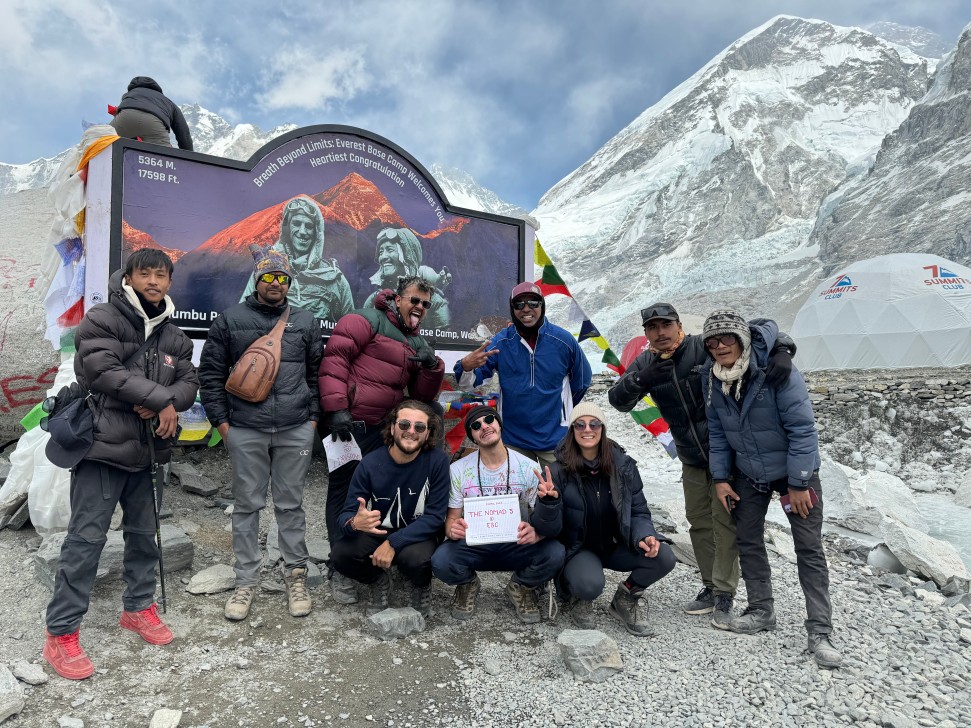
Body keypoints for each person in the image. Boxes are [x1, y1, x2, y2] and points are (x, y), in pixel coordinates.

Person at [43, 250, 199, 680]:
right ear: (128, 277)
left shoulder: (174, 334)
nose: (153, 281)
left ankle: (138, 608)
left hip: (149, 451)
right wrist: (159, 399)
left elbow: (190, 382)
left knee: (145, 536)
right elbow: (101, 371)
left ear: (169, 281)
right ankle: (61, 633)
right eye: (144, 273)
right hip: (102, 448)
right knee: (86, 540)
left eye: (161, 274)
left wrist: (167, 402)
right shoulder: (102, 318)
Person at [607, 301, 794, 628]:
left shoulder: (702, 347)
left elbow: (759, 333)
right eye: (653, 328)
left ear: (679, 325)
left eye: (666, 325)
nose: (660, 332)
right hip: (690, 456)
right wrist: (641, 379)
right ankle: (710, 585)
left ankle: (724, 593)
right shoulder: (646, 362)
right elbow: (618, 401)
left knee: (724, 522)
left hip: (729, 454)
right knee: (698, 521)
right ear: (646, 334)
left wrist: (783, 350)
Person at [700, 309, 841, 668]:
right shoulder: (714, 379)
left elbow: (803, 429)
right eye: (712, 342)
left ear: (743, 339)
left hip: (794, 475)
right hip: (749, 473)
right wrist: (720, 479)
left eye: (727, 338)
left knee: (807, 547)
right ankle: (761, 610)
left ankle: (820, 630)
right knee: (747, 539)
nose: (719, 347)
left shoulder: (777, 371)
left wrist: (797, 483)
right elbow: (717, 433)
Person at [199, 245, 323, 622]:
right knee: (247, 505)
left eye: (282, 277)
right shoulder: (230, 320)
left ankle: (295, 575)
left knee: (290, 505)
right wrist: (223, 424)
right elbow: (210, 376)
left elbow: (316, 375)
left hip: (295, 427)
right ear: (257, 279)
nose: (275, 283)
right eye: (268, 276)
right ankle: (245, 580)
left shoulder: (305, 321)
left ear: (289, 281)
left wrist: (313, 419)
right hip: (245, 429)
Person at [319, 276, 445, 601]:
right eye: (414, 300)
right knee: (343, 492)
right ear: (397, 298)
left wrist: (433, 368)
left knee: (373, 491)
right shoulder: (365, 320)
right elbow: (335, 360)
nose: (419, 308)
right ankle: (340, 563)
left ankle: (389, 548)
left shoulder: (416, 342)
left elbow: (420, 397)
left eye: (425, 304)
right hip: (347, 424)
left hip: (384, 428)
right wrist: (336, 408)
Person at [534, 403, 676, 635]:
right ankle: (577, 594)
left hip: (616, 543)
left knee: (663, 556)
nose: (587, 429)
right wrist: (548, 503)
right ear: (572, 431)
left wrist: (645, 535)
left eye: (594, 423)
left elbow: (638, 511)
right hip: (580, 548)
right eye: (579, 424)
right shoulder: (557, 472)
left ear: (603, 428)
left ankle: (626, 597)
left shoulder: (624, 466)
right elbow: (546, 529)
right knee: (589, 586)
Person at [431, 406, 565, 624]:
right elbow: (451, 519)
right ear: (472, 437)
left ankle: (521, 585)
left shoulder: (528, 467)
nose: (484, 426)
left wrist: (537, 533)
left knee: (555, 553)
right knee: (441, 561)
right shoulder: (458, 470)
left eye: (489, 420)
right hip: (475, 544)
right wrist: (452, 530)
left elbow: (543, 518)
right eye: (476, 426)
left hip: (515, 543)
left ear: (499, 425)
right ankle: (467, 583)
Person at [330, 400, 449, 617]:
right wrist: (355, 523)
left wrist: (393, 543)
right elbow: (346, 515)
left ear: (428, 433)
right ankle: (377, 580)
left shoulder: (438, 462)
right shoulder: (369, 463)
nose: (411, 432)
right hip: (379, 529)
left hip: (418, 532)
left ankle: (420, 584)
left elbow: (435, 517)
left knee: (417, 560)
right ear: (392, 427)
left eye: (419, 427)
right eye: (404, 425)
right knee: (341, 555)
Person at [456, 282, 591, 469]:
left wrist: (563, 411)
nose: (526, 309)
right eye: (519, 304)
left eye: (533, 303)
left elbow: (582, 381)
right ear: (512, 309)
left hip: (554, 439)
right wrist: (466, 367)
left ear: (542, 305)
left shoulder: (563, 341)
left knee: (558, 493)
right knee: (517, 497)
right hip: (514, 440)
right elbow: (469, 384)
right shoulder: (501, 342)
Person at [240, 196, 354, 321]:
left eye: (309, 226)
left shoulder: (335, 279)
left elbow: (348, 330)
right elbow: (242, 318)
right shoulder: (265, 269)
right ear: (287, 228)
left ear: (317, 232)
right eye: (297, 223)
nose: (302, 231)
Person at [363, 227, 450, 331]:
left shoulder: (435, 303)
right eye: (381, 252)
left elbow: (446, 339)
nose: (383, 257)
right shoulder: (373, 301)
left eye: (390, 250)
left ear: (407, 255)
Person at [109, 76, 193, 150]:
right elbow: (183, 133)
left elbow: (120, 112)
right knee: (164, 159)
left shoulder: (129, 95)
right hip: (154, 124)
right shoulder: (168, 102)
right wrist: (190, 158)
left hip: (126, 118)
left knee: (103, 141)